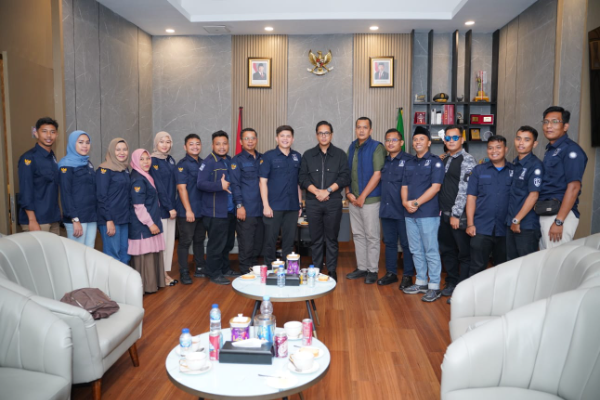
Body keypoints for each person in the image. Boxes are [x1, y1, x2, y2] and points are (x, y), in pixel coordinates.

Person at [299, 121, 351, 282]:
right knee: (315, 238)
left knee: (332, 238)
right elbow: (302, 178)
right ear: (316, 135)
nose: (323, 136)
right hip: (313, 202)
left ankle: (332, 269)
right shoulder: (308, 155)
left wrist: (327, 191)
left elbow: (345, 177)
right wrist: (317, 192)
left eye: (326, 133)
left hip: (333, 202)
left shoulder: (340, 154)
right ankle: (317, 269)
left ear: (331, 135)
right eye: (321, 133)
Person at [401, 126, 445, 302]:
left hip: (428, 213)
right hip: (409, 213)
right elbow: (404, 186)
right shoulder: (409, 162)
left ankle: (434, 285)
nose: (417, 142)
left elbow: (436, 188)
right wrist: (405, 202)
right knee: (415, 249)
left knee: (430, 249)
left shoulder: (435, 162)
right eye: (415, 139)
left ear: (429, 142)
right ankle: (421, 281)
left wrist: (416, 203)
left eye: (421, 139)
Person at [538, 106, 588, 249]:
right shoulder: (551, 150)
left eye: (555, 122)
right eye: (546, 122)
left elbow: (574, 187)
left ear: (565, 126)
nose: (549, 126)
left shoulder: (571, 150)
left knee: (556, 260)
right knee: (545, 259)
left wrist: (559, 221)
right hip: (546, 210)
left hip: (559, 214)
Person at [438, 126, 476, 301]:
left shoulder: (467, 160)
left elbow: (465, 189)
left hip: (457, 216)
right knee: (447, 251)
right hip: (443, 214)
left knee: (464, 253)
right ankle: (451, 282)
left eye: (455, 137)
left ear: (462, 139)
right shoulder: (445, 158)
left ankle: (462, 288)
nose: (451, 140)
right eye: (448, 138)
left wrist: (456, 213)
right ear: (444, 140)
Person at [345, 117, 385, 284]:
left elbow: (377, 174)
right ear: (355, 129)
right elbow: (347, 172)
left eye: (365, 127)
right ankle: (362, 267)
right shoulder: (352, 147)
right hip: (353, 200)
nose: (361, 130)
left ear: (371, 130)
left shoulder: (377, 147)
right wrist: (348, 192)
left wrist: (362, 197)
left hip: (370, 201)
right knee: (358, 235)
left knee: (372, 236)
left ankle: (372, 270)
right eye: (359, 127)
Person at [466, 135, 513, 277]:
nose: (494, 151)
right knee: (477, 267)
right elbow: (471, 198)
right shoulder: (478, 170)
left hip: (506, 229)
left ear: (505, 149)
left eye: (498, 147)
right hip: (481, 228)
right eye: (490, 148)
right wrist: (470, 224)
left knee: (504, 268)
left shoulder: (514, 171)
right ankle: (473, 292)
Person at [198, 131, 237, 285]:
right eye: (218, 144)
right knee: (216, 245)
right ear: (212, 145)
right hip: (215, 212)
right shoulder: (208, 162)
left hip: (230, 210)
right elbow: (200, 183)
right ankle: (214, 273)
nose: (222, 146)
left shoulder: (230, 161)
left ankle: (225, 269)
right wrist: (219, 185)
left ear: (228, 144)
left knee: (227, 243)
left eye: (224, 143)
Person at [259, 125, 302, 266]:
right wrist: (266, 205)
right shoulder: (268, 156)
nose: (285, 139)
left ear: (293, 139)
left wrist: (299, 204)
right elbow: (262, 182)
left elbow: (298, 183)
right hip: (273, 206)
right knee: (270, 241)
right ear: (276, 138)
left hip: (292, 206)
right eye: (282, 136)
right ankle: (270, 271)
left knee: (289, 242)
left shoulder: (297, 157)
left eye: (288, 136)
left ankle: (289, 271)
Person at [378, 128, 415, 289]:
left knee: (407, 244)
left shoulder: (410, 160)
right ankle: (391, 273)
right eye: (388, 140)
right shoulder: (384, 161)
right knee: (390, 243)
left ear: (401, 142)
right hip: (387, 209)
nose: (390, 143)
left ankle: (408, 275)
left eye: (394, 140)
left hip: (403, 210)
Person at [128, 149, 166, 293]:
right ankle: (145, 286)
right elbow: (138, 205)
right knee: (145, 256)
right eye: (142, 159)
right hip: (143, 225)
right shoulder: (138, 179)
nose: (146, 162)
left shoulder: (145, 176)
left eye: (147, 158)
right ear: (135, 160)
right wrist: (150, 223)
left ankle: (151, 284)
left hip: (150, 220)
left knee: (151, 254)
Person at [506, 126, 544, 260]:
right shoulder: (515, 163)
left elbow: (534, 195)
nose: (521, 143)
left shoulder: (535, 165)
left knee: (526, 265)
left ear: (534, 144)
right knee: (511, 263)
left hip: (525, 226)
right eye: (518, 139)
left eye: (526, 140)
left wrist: (517, 219)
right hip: (511, 223)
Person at [18, 117, 61, 234]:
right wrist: (32, 220)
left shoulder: (52, 157)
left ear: (56, 135)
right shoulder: (29, 158)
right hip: (37, 220)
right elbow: (26, 191)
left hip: (52, 218)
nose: (49, 135)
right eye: (44, 131)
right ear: (36, 133)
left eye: (52, 132)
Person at [230, 128, 264, 275]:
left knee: (258, 244)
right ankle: (245, 273)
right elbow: (235, 184)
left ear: (256, 140)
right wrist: (239, 205)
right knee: (246, 244)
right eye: (246, 138)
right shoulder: (236, 160)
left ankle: (254, 273)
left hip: (262, 210)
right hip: (246, 209)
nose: (250, 141)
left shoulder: (263, 159)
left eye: (253, 138)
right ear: (241, 141)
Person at [175, 134, 206, 285]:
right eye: (191, 144)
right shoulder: (182, 165)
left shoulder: (204, 163)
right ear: (185, 147)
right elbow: (181, 189)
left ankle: (200, 267)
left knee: (199, 240)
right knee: (185, 242)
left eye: (197, 144)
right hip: (187, 211)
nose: (195, 146)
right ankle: (184, 271)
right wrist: (188, 210)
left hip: (202, 210)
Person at [58, 130, 97, 247]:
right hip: (76, 218)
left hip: (91, 216)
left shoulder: (87, 163)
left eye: (87, 142)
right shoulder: (66, 164)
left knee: (89, 252)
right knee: (77, 254)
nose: (85, 145)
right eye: (80, 142)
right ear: (72, 143)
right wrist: (75, 219)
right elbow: (66, 194)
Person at [149, 131, 178, 286]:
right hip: (162, 209)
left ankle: (165, 273)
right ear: (156, 143)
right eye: (161, 141)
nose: (165, 145)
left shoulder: (170, 160)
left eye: (168, 141)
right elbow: (159, 187)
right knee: (162, 243)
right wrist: (169, 207)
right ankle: (161, 274)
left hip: (171, 208)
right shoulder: (152, 160)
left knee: (169, 243)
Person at [97, 138, 131, 264]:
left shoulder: (125, 169)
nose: (122, 152)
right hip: (110, 219)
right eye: (118, 150)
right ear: (111, 151)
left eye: (124, 149)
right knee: (113, 256)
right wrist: (108, 220)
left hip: (124, 219)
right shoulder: (104, 170)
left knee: (125, 255)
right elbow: (101, 197)